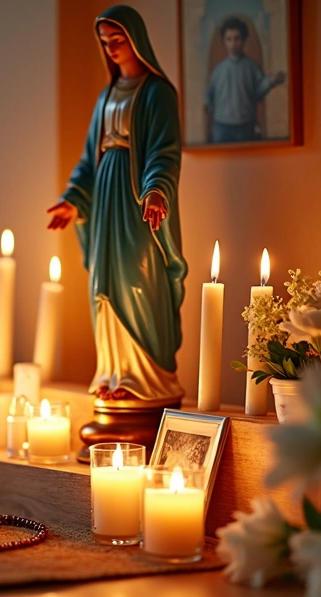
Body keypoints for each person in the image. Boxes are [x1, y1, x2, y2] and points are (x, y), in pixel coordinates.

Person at [46, 5, 187, 403]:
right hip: (106, 200)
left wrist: (156, 190)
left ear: (136, 40)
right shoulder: (106, 95)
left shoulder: (158, 92)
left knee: (138, 281)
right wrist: (72, 201)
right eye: (105, 43)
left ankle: (146, 377)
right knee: (102, 285)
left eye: (118, 40)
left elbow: (164, 151)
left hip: (136, 201)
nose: (110, 49)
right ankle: (112, 373)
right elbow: (89, 159)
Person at [204, 17, 286, 144]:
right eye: (229, 39)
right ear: (224, 41)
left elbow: (258, 92)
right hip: (221, 126)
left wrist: (271, 81)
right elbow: (209, 95)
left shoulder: (252, 67)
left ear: (243, 40)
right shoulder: (218, 70)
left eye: (237, 38)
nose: (233, 44)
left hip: (246, 125)